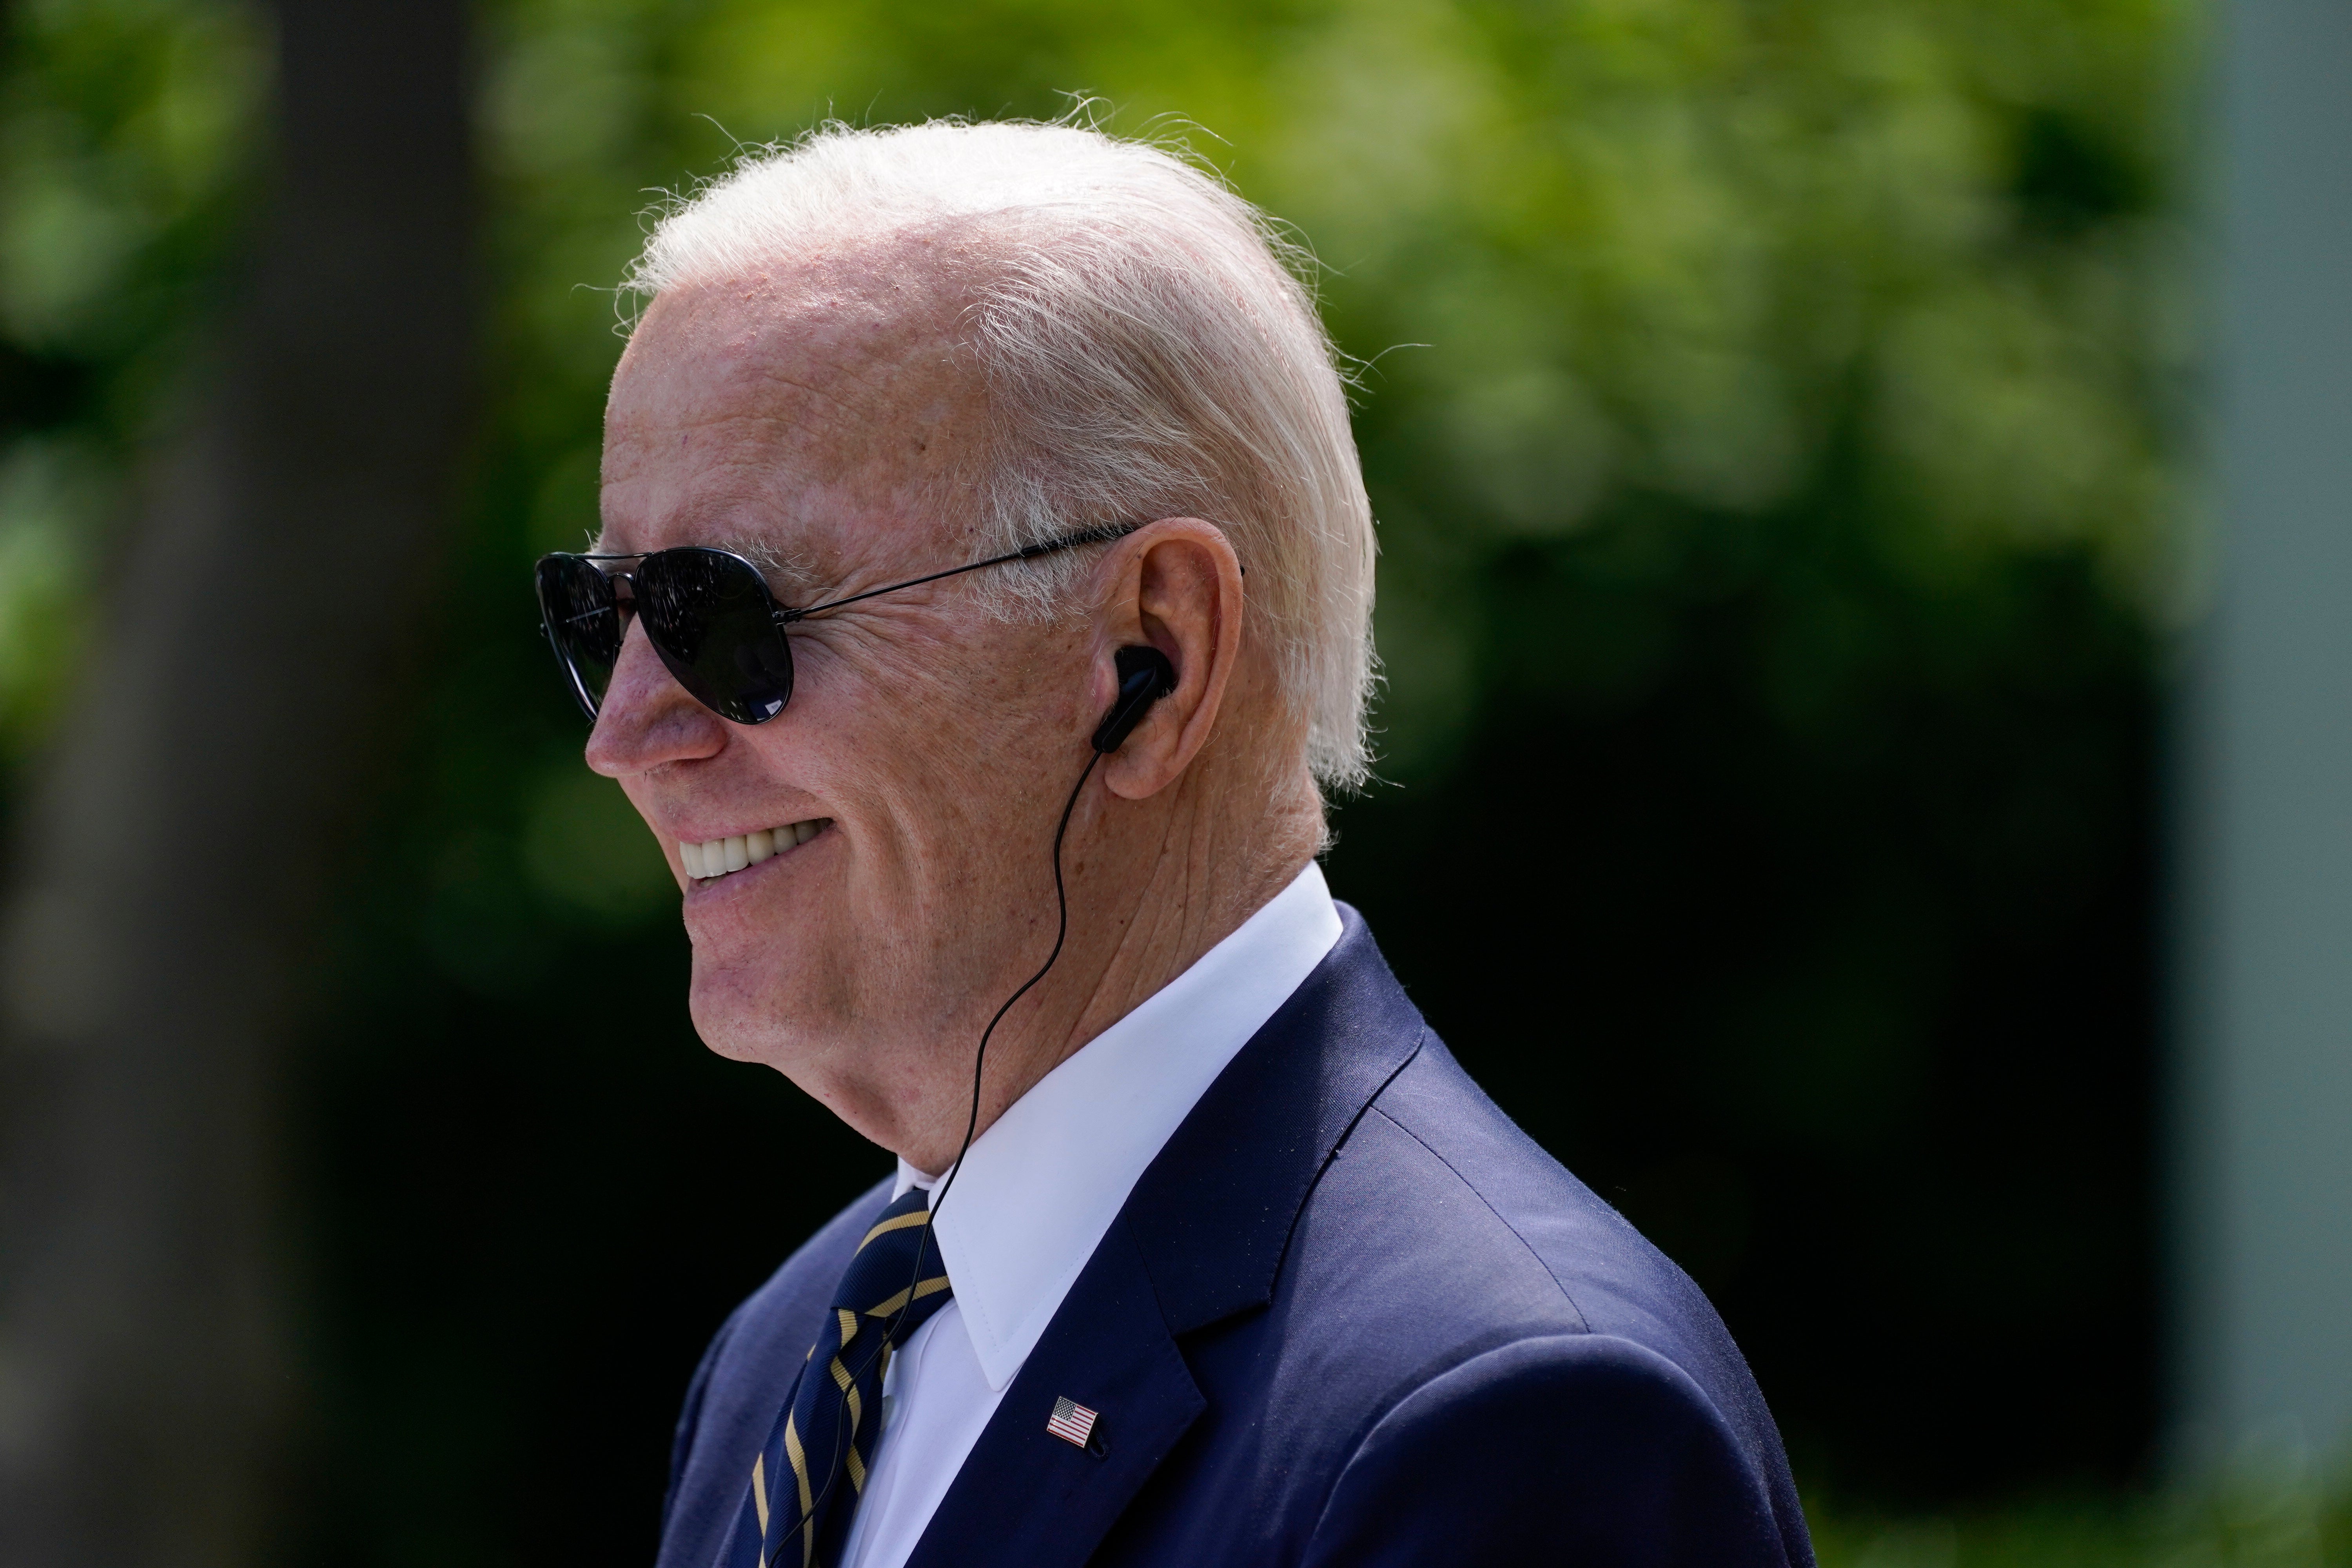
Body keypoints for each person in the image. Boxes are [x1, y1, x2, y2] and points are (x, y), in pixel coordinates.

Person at [535, 118, 1816, 1568]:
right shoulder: (791, 1360)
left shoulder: (1511, 1428)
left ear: (1155, 654)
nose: (628, 734)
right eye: (605, 616)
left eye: (722, 615)